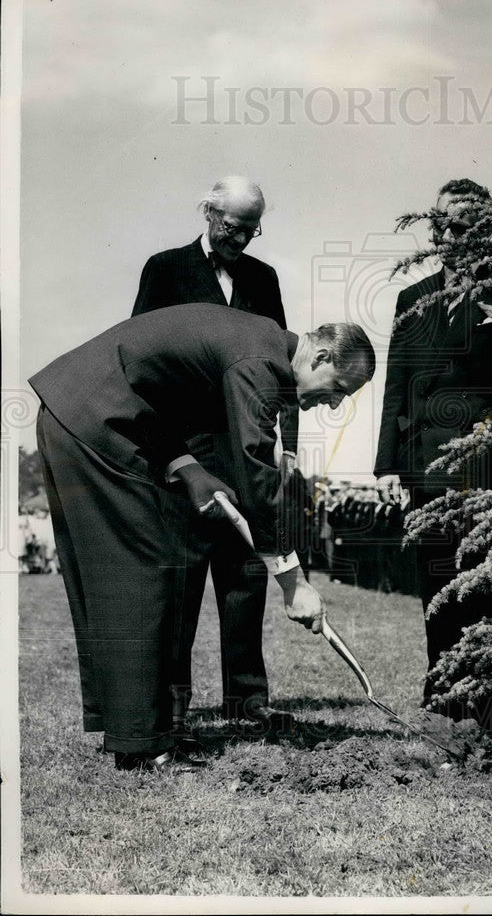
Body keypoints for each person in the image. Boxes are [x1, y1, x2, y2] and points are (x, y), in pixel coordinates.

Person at [30, 305, 375, 772]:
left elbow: (169, 404)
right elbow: (255, 475)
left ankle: (144, 732)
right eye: (338, 389)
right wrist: (294, 583)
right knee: (144, 575)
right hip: (93, 417)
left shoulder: (262, 348)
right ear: (320, 355)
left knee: (149, 572)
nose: (334, 404)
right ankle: (144, 745)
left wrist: (187, 467)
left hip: (95, 411)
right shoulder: (259, 361)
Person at [132, 177, 298, 729]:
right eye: (234, 226)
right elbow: (141, 360)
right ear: (207, 212)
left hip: (244, 444)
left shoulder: (264, 279)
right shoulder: (165, 269)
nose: (243, 238)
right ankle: (171, 704)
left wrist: (288, 448)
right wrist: (168, 455)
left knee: (246, 575)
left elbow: (279, 365)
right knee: (180, 581)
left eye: (253, 229)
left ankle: (246, 701)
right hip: (185, 453)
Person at [374, 178, 492, 730]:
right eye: (439, 225)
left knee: (484, 589)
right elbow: (396, 386)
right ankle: (446, 701)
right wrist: (389, 465)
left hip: (484, 468)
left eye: (463, 227)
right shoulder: (410, 298)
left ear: (487, 230)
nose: (448, 236)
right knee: (437, 589)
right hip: (423, 472)